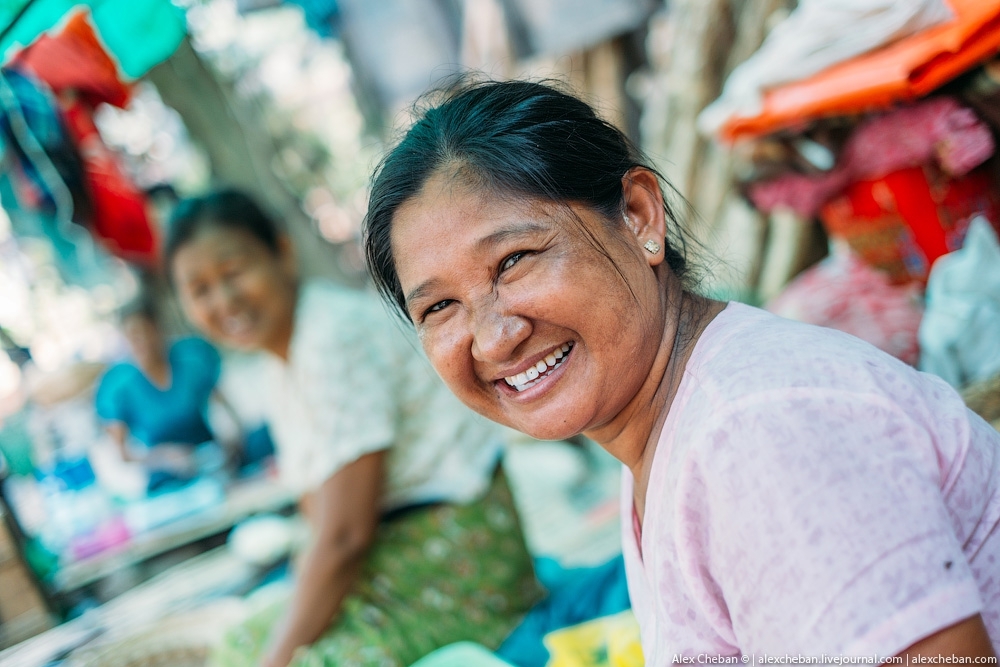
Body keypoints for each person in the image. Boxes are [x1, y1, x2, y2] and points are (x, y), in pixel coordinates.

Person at [363, 80, 1000, 660]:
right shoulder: (664, 434)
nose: (493, 338)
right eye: (441, 306)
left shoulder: (756, 438)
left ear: (639, 216)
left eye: (516, 260)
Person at [165, 189, 542, 667]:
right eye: (201, 290)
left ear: (281, 251)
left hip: (456, 556)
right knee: (239, 643)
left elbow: (344, 537)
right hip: (393, 555)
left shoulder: (331, 337)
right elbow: (319, 513)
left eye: (234, 272)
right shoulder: (281, 362)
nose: (224, 299)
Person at [95, 295, 223, 491]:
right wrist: (164, 457)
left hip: (211, 458)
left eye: (146, 332)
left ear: (159, 329)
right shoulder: (118, 387)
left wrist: (231, 442)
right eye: (133, 336)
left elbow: (226, 412)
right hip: (166, 476)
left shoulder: (192, 358)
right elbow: (123, 455)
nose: (142, 341)